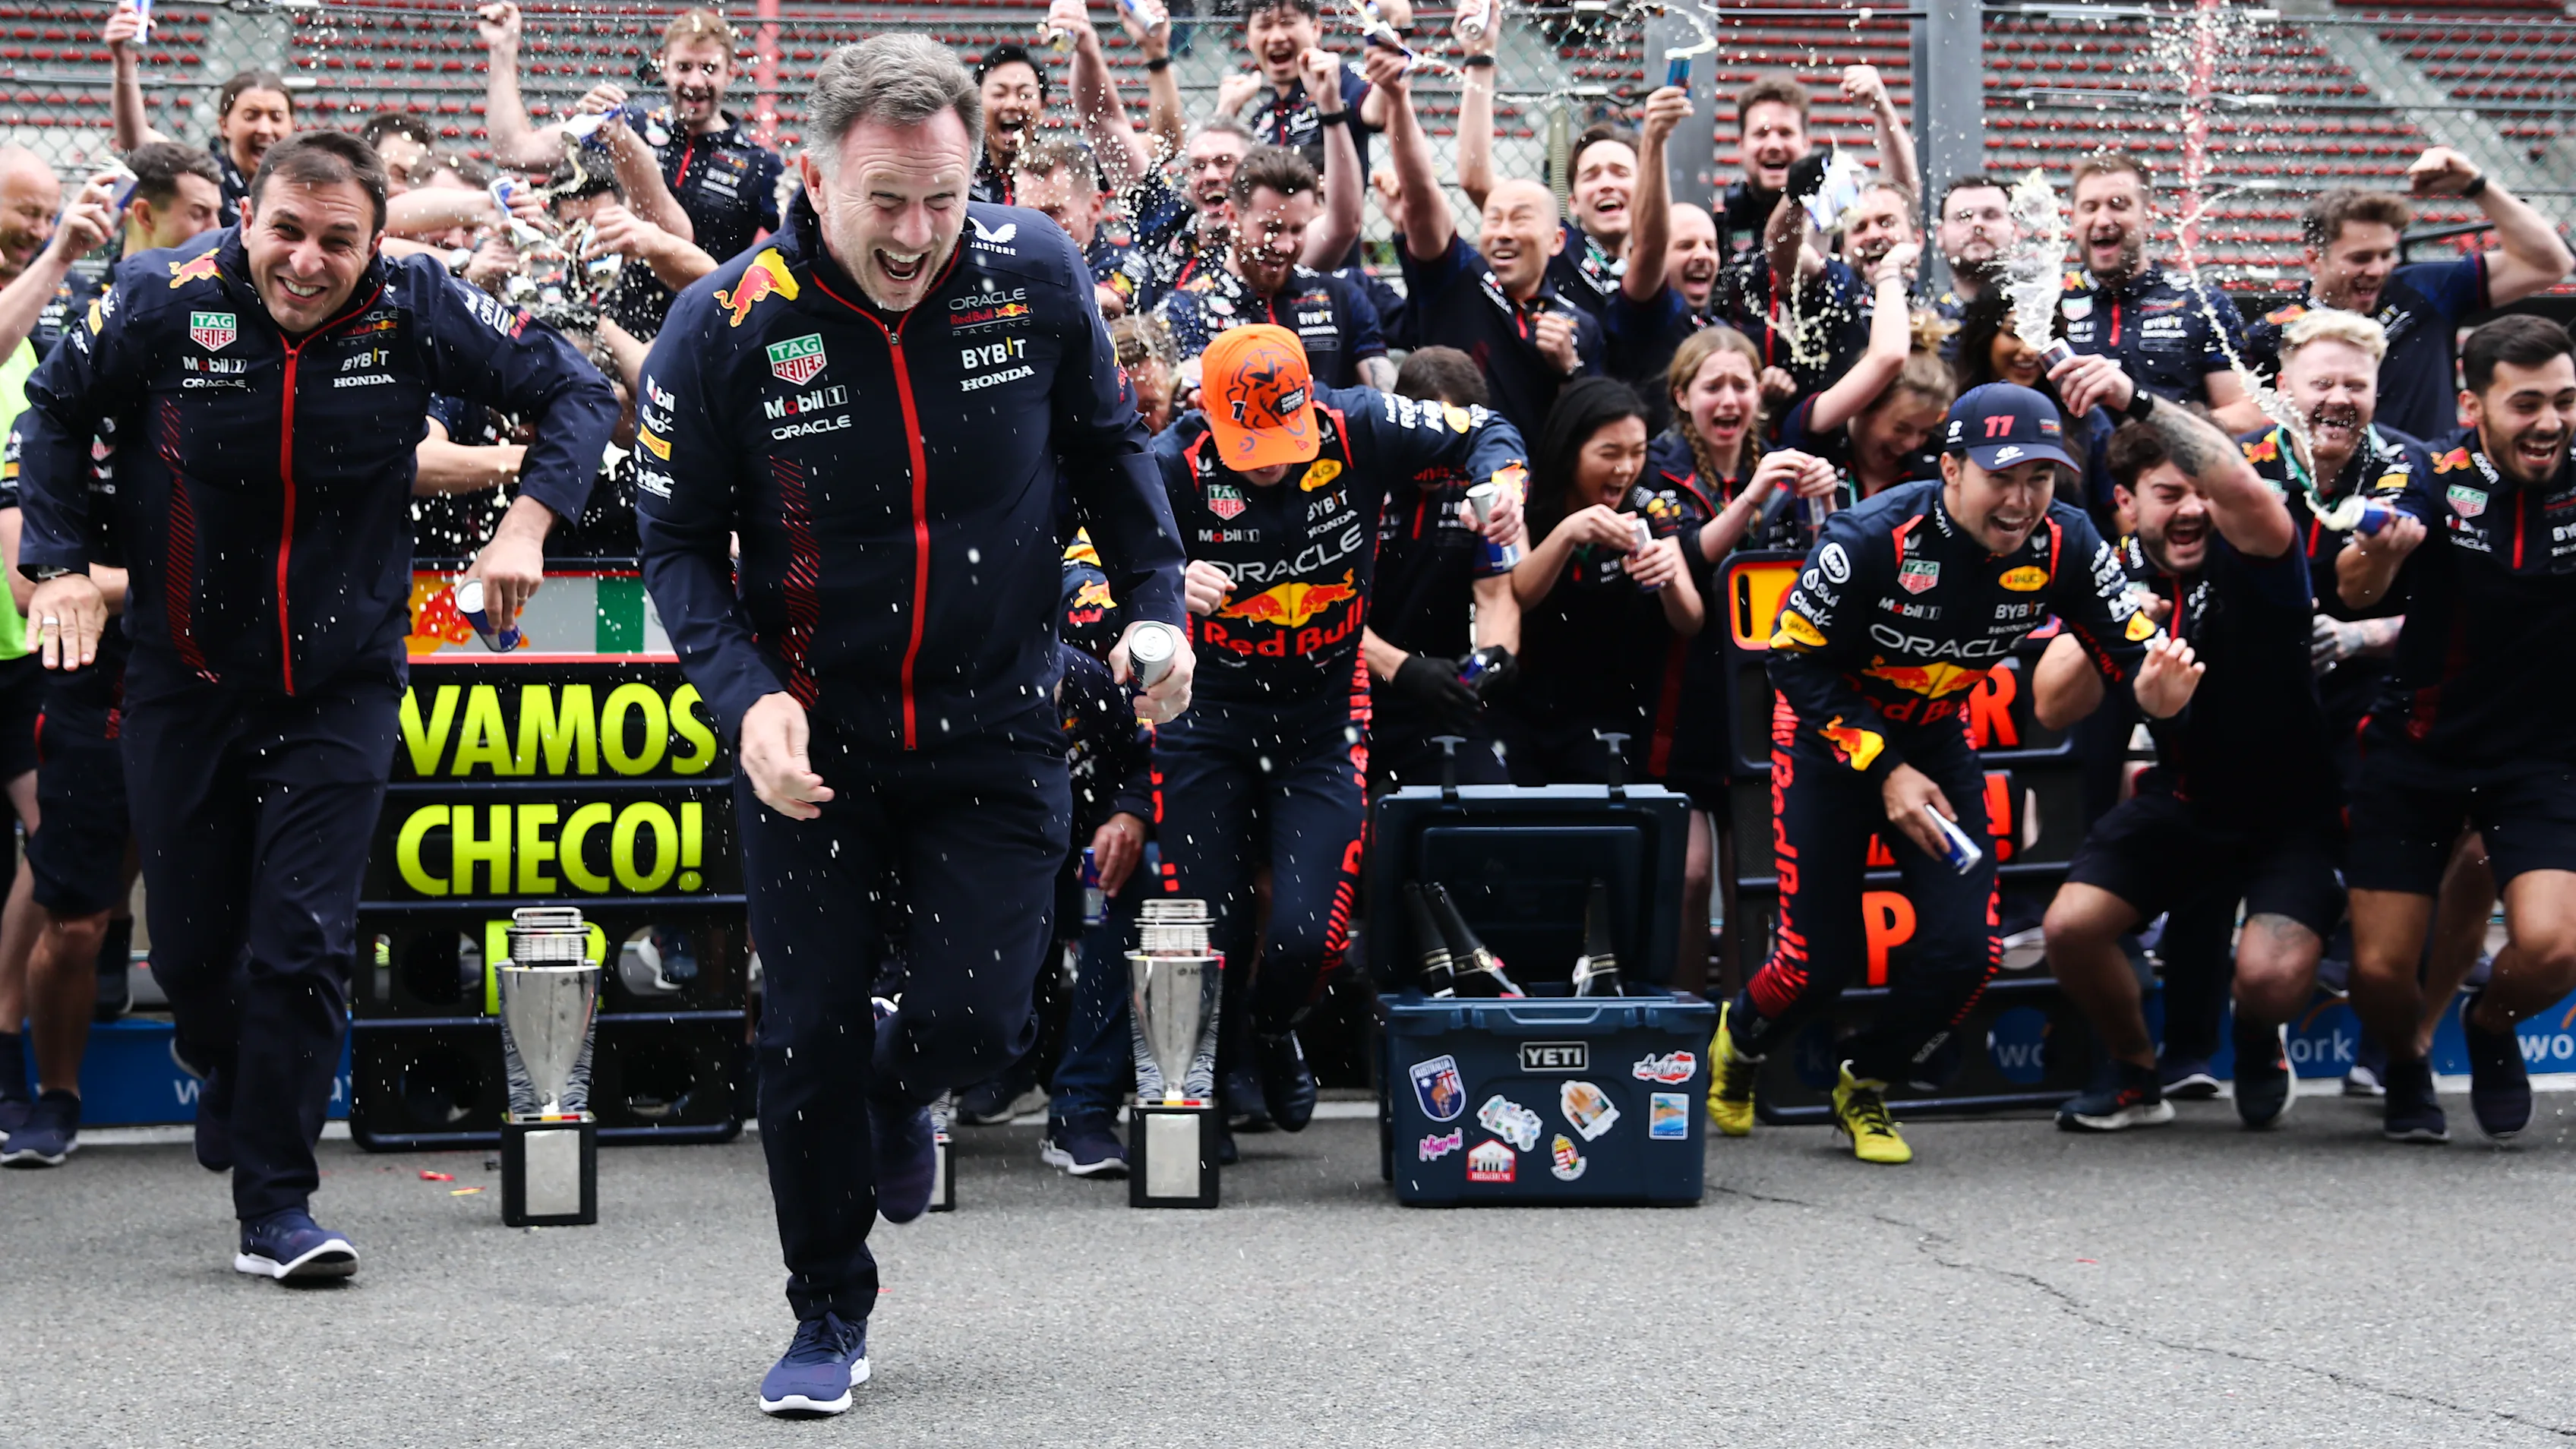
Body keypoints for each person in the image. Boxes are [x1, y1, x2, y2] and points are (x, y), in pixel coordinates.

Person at [630, 36, 1191, 1416]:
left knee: (981, 1023)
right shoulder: (724, 322)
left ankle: (899, 1092)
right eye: (884, 200)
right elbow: (675, 547)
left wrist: (1156, 606)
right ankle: (828, 1306)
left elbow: (1109, 452)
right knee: (805, 1031)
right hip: (811, 740)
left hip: (998, 719)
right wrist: (746, 698)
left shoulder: (1034, 270)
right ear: (813, 176)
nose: (915, 234)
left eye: (943, 196)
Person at [11, 131, 617, 1226]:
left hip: (341, 679)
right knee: (192, 957)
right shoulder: (159, 297)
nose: (306, 261)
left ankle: (278, 1206)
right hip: (182, 674)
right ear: (244, 220)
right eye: (285, 231)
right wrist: (54, 564)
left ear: (377, 243)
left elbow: (576, 391)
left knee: (303, 943)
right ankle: (225, 1069)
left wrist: (525, 526)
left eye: (338, 241)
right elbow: (51, 411)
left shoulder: (416, 303)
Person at [1706, 383, 2201, 1164]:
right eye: (2001, 477)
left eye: (2039, 478)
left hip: (1936, 736)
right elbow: (1791, 660)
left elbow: (2133, 651)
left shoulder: (2068, 540)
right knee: (1815, 963)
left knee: (1969, 952)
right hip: (1827, 739)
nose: (2021, 501)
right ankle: (1737, 1042)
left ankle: (1864, 1083)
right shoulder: (1870, 536)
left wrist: (2159, 698)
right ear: (1950, 469)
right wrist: (1884, 767)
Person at [1154, 323, 1523, 1148]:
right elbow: (1083, 554)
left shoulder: (1360, 422)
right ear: (1208, 415)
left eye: (1281, 441)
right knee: (1203, 926)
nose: (1268, 463)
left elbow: (1484, 427)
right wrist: (1166, 578)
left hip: (1323, 715)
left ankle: (1272, 1025)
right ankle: (1198, 1092)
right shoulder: (1171, 461)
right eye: (1248, 446)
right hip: (1206, 715)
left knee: (1308, 937)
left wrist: (1502, 485)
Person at [2032, 393, 2331, 1134]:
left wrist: (2133, 399)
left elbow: (2240, 487)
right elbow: (2051, 706)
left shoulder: (2256, 547)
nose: (2193, 508)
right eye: (2169, 495)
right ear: (2126, 505)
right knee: (2070, 929)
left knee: (2267, 978)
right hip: (2187, 802)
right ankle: (2135, 1073)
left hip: (2290, 815)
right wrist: (2116, 629)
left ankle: (2257, 1032)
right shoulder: (2116, 575)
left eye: (2202, 491)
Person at [2334, 314, 2576, 1147]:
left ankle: (2489, 1024)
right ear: (2472, 407)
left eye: (2565, 401)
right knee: (2377, 973)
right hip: (2418, 751)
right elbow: (2355, 591)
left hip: (2541, 761)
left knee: (2554, 950)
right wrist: (2381, 552)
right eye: (2527, 404)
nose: (2549, 422)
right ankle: (2405, 1060)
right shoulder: (2428, 473)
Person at [2240, 311, 2489, 1096]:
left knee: (2440, 857)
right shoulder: (2242, 468)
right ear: (2283, 388)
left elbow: (2471, 615)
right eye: (2322, 383)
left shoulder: (2420, 468)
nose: (2339, 398)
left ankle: (2395, 1056)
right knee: (2266, 965)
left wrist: (2364, 634)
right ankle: (2251, 1031)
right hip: (2264, 729)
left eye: (2356, 384)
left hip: (2387, 723)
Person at [0, 152, 103, 1148]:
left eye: (46, 215)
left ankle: (15, 1065)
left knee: (52, 860)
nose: (38, 229)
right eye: (23, 214)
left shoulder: (53, 327)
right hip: (35, 630)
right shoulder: (29, 310)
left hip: (28, 659)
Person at [478, 2, 784, 336]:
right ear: (664, 66)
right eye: (684, 67)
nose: (696, 81)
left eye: (709, 68)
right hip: (616, 327)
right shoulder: (629, 123)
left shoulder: (758, 164)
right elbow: (514, 150)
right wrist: (502, 48)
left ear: (731, 72)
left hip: (708, 327)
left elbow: (792, 247)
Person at [2243, 153, 2572, 442]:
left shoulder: (2423, 289)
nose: (2377, 270)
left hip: (2429, 480)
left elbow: (2549, 264)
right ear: (2315, 259)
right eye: (2360, 258)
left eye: (2386, 255)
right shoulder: (2276, 332)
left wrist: (2476, 185)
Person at [1372, 46, 1599, 435]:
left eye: (1521, 219)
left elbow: (1589, 430)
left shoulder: (1580, 324)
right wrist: (1397, 98)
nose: (1504, 232)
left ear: (1557, 240)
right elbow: (1423, 197)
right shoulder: (1460, 280)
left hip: (1533, 472)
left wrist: (1568, 368)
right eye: (1493, 219)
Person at [1495, 377, 1705, 785]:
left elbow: (1691, 620)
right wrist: (1568, 533)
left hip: (1608, 714)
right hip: (1518, 705)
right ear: (1570, 449)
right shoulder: (1525, 499)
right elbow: (1519, 595)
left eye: (1637, 452)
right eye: (1610, 453)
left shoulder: (1649, 508)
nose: (1625, 468)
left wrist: (1669, 579)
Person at [1363, 346, 1520, 791]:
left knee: (1493, 805)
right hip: (1353, 695)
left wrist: (1491, 659)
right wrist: (1404, 669)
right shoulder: (1362, 476)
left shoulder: (1481, 490)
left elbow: (1496, 595)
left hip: (1444, 699)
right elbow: (1327, 611)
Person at [2057, 150, 2264, 433]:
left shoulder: (2200, 303)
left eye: (2118, 205)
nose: (2103, 220)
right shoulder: (2050, 302)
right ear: (2074, 220)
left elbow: (2246, 415)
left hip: (2173, 457)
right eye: (2090, 208)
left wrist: (2157, 420)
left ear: (2148, 217)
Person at [1155, 144, 1382, 388]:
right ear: (1232, 217)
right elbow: (1198, 396)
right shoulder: (1188, 308)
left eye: (1297, 229)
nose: (1285, 246)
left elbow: (1382, 397)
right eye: (1272, 229)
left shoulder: (1341, 297)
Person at [1773, 243, 1949, 529]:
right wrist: (1889, 271)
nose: (1912, 443)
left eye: (1924, 432)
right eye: (1901, 428)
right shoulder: (1818, 437)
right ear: (1863, 403)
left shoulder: (1932, 472)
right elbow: (1889, 357)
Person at [107, 5, 292, 212]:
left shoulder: (302, 183)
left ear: (292, 124)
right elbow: (136, 139)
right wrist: (124, 63)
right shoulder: (202, 175)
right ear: (224, 125)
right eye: (251, 116)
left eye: (276, 117)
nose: (265, 129)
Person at [1217, 0, 1380, 197]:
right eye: (1264, 26)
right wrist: (1226, 112)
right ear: (1249, 39)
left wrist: (1394, 35)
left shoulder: (1342, 81)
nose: (1276, 37)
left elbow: (1378, 112)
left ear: (1316, 28)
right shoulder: (1262, 121)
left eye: (1288, 22)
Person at [1013, 140, 1155, 317]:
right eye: (1026, 214)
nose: (1036, 227)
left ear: (1094, 208)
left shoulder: (1126, 263)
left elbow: (1109, 301)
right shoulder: (1010, 261)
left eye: (1051, 213)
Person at [1932, 174, 2017, 331]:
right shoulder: (1925, 326)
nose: (1977, 224)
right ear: (1940, 234)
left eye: (1991, 215)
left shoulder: (2037, 320)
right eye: (1963, 217)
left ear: (2015, 230)